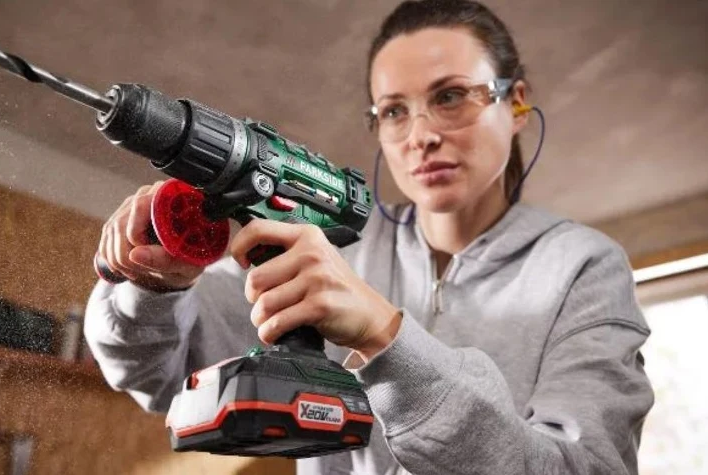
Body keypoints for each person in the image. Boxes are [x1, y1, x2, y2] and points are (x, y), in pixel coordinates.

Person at [84, 0, 654, 473]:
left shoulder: (583, 267)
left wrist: (386, 336)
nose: (420, 135)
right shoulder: (321, 239)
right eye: (393, 111)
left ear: (518, 103)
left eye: (450, 96)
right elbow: (155, 376)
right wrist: (156, 287)